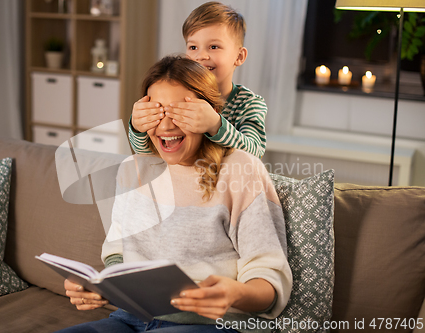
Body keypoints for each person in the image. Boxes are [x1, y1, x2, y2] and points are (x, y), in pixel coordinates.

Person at [59, 56, 291, 333]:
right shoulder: (134, 168)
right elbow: (117, 253)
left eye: (180, 113)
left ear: (208, 113)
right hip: (128, 318)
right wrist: (99, 287)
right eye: (156, 113)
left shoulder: (241, 169)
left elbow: (269, 280)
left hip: (209, 325)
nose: (166, 127)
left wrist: (235, 293)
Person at [129, 1, 268, 159]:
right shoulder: (177, 96)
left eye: (213, 47)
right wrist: (137, 128)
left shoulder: (248, 103)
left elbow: (254, 153)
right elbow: (150, 155)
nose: (200, 56)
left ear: (239, 56)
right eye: (193, 47)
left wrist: (215, 125)